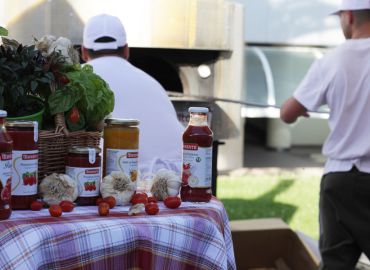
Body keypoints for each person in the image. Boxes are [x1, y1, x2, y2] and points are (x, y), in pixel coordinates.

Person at [280, 0, 370, 268]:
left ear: (349, 16)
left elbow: (287, 113)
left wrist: (300, 110)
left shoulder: (331, 61)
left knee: (336, 264)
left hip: (339, 180)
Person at [81, 14, 184, 179]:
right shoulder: (152, 83)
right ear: (127, 50)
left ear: (84, 52)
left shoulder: (78, 80)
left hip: (117, 181)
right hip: (178, 178)